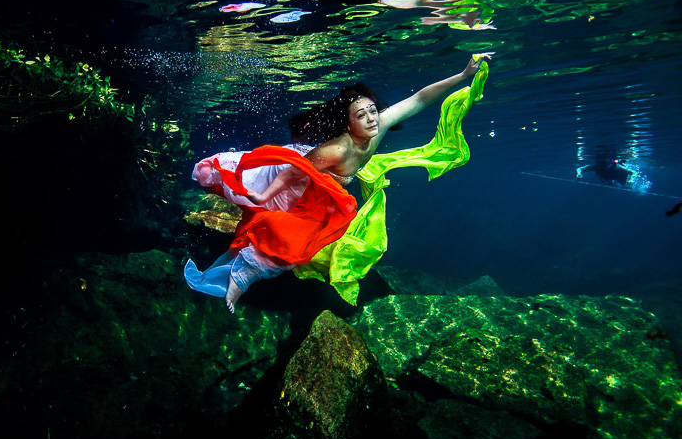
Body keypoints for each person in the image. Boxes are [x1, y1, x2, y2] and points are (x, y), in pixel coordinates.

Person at [185, 54, 491, 313]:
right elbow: (294, 172)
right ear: (349, 124)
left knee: (294, 243)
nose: (373, 118)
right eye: (363, 115)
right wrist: (264, 195)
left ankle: (237, 276)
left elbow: (419, 98)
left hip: (319, 189)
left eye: (373, 110)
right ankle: (237, 281)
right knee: (286, 241)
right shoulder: (337, 149)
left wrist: (464, 74)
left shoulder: (378, 126)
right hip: (296, 181)